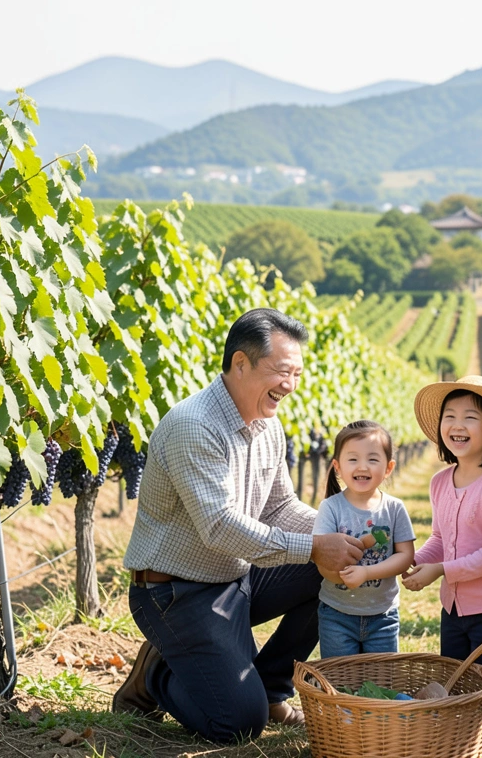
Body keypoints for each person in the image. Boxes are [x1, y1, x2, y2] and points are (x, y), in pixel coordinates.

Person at [113, 309, 366, 742]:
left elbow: (280, 507)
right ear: (241, 363)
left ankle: (270, 688)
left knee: (334, 570)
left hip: (234, 579)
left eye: (297, 374)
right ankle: (157, 674)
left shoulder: (268, 426)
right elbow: (220, 527)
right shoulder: (194, 425)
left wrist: (340, 531)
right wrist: (313, 547)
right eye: (282, 371)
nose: (290, 385)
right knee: (238, 724)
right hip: (176, 593)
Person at [402, 375, 482, 758]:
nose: (457, 425)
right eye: (450, 416)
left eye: (470, 417)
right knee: (458, 695)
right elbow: (440, 539)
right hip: (455, 610)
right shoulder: (441, 482)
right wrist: (410, 562)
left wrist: (442, 570)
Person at [313, 420, 416, 657]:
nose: (362, 466)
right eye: (353, 459)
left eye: (372, 459)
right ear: (337, 467)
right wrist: (339, 575)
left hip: (383, 615)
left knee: (381, 677)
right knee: (340, 675)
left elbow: (405, 556)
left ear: (388, 467)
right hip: (336, 614)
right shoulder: (330, 508)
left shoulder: (394, 509)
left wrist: (366, 573)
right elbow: (322, 560)